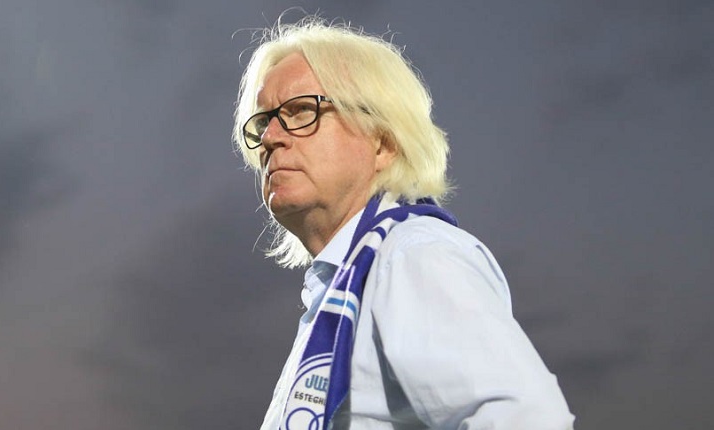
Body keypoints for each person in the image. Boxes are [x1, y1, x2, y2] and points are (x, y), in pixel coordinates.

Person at [232, 15, 575, 430]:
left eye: (302, 110)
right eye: (264, 121)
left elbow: (526, 418)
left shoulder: (411, 255)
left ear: (383, 142)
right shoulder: (345, 289)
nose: (270, 138)